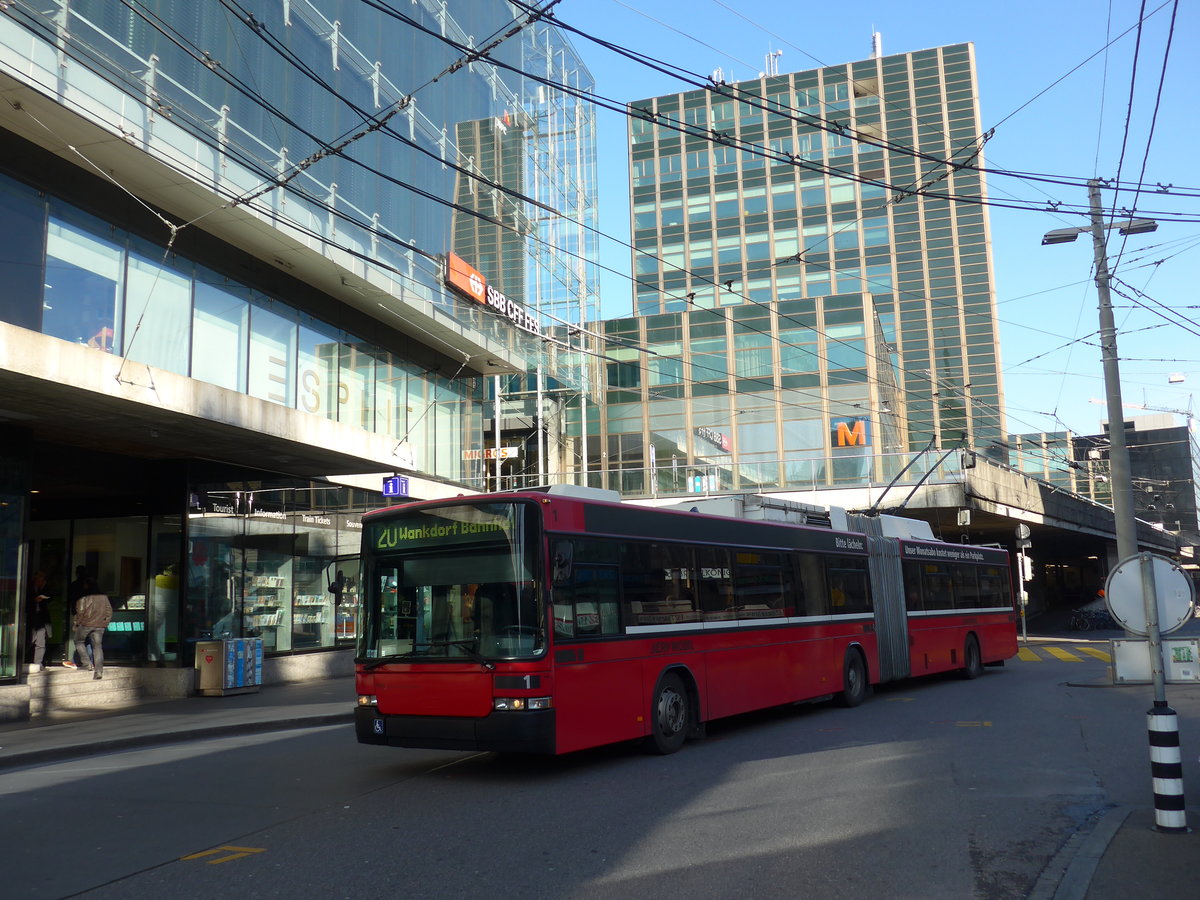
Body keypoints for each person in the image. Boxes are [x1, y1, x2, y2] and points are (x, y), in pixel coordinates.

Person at [73, 579, 113, 680]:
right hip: (99, 625)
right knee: (97, 647)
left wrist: (77, 624)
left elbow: (80, 612)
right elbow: (109, 612)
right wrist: (105, 623)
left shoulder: (84, 597)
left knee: (78, 641)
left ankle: (87, 664)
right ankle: (98, 671)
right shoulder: (104, 597)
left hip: (86, 624)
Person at [63, 565, 90, 669]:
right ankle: (89, 661)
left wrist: (74, 610)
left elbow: (71, 598)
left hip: (80, 614)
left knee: (79, 639)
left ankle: (79, 661)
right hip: (91, 615)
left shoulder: (75, 585)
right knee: (89, 639)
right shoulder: (90, 585)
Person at [27, 571, 52, 673]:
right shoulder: (29, 588)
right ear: (35, 578)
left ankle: (38, 664)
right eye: (39, 578)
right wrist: (34, 600)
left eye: (42, 579)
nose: (40, 580)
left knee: (41, 642)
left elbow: (50, 598)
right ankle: (20, 661)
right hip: (31, 617)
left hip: (41, 618)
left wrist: (43, 588)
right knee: (29, 640)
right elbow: (24, 601)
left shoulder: (43, 588)